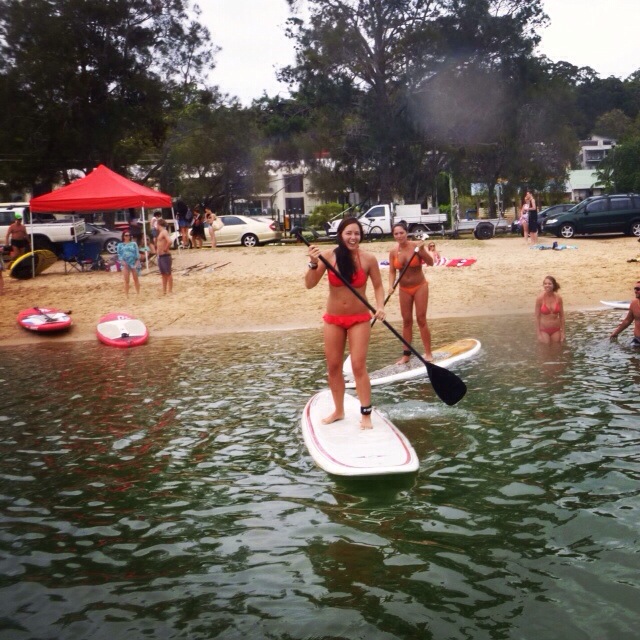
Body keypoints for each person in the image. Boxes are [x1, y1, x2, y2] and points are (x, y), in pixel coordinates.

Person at [305, 217, 385, 429]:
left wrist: (380, 306)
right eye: (348, 233)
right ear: (340, 234)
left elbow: (378, 286)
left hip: (359, 319)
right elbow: (309, 284)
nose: (353, 237)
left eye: (357, 233)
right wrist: (313, 263)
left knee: (358, 366)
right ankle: (338, 410)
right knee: (333, 367)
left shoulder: (368, 259)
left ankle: (366, 414)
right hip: (334, 319)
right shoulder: (328, 256)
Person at [388, 222, 434, 364]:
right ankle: (406, 356)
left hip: (420, 286)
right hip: (404, 289)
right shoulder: (393, 252)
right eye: (396, 234)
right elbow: (392, 271)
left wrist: (422, 251)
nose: (399, 236)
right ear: (393, 235)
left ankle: (428, 353)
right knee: (406, 321)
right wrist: (390, 285)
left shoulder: (416, 247)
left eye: (401, 233)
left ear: (406, 233)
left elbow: (431, 262)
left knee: (421, 319)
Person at [535, 275, 565, 343]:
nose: (547, 285)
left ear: (553, 285)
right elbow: (537, 316)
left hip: (556, 330)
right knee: (545, 348)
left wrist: (563, 332)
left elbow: (562, 316)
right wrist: (538, 334)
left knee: (556, 348)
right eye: (545, 284)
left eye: (549, 284)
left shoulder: (559, 298)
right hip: (544, 330)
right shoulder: (540, 298)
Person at [609, 281, 640, 345]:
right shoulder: (634, 304)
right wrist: (615, 333)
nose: (635, 291)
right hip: (637, 339)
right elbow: (627, 321)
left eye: (638, 289)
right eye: (635, 289)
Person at [116, 230, 141, 296]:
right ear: (123, 236)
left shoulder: (134, 244)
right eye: (126, 235)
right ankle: (126, 295)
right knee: (126, 280)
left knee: (136, 279)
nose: (128, 237)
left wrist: (137, 262)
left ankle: (138, 293)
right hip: (125, 263)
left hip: (133, 262)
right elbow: (119, 255)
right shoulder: (120, 245)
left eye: (129, 235)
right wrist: (122, 262)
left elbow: (137, 253)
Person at [156, 218, 173, 295]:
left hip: (165, 255)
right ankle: (164, 290)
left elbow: (169, 241)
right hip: (161, 256)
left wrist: (165, 248)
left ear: (159, 224)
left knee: (168, 273)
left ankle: (170, 290)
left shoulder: (164, 232)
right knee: (163, 274)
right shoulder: (160, 233)